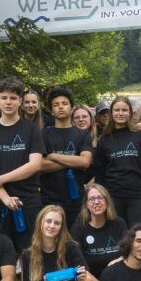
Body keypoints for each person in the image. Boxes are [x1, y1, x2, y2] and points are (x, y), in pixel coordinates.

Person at [0, 79, 46, 251]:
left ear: (20, 102)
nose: (8, 102)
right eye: (4, 98)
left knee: (30, 251)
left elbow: (35, 165)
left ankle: (31, 279)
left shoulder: (31, 130)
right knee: (0, 250)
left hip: (28, 199)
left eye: (13, 98)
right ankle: (4, 279)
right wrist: (6, 198)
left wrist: (1, 179)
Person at [93, 96, 141, 225]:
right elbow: (100, 172)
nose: (120, 113)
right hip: (113, 196)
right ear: (111, 113)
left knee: (138, 235)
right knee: (118, 239)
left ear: (130, 113)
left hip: (138, 196)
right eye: (117, 110)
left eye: (124, 110)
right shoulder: (104, 139)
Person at [41, 87, 94, 228]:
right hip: (49, 199)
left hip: (76, 200)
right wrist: (73, 160)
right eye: (56, 105)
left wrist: (53, 156)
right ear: (51, 110)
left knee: (75, 241)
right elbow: (40, 165)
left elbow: (85, 162)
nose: (60, 107)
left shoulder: (82, 134)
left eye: (64, 103)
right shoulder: (44, 134)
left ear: (71, 107)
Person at [70, 184, 129, 279]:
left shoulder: (119, 223)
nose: (96, 202)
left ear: (107, 201)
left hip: (118, 278)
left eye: (100, 198)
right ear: (87, 205)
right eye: (92, 199)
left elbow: (128, 253)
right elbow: (80, 266)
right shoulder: (78, 228)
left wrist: (117, 261)